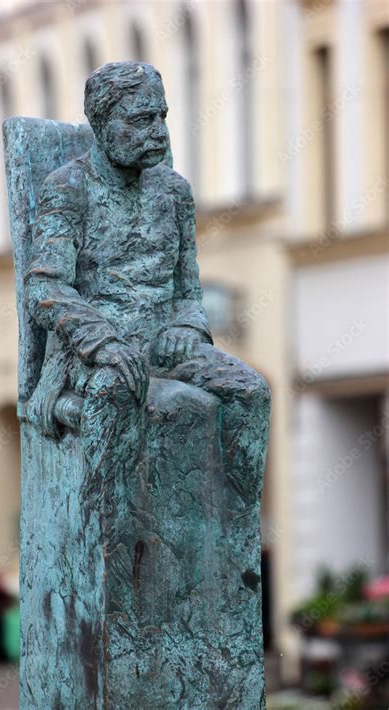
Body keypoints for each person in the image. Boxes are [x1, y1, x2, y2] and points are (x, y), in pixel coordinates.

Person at [25, 61, 270, 508]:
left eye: (162, 117)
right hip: (96, 350)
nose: (158, 131)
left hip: (165, 344)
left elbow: (189, 290)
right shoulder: (68, 188)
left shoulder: (174, 191)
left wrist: (188, 328)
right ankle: (108, 531)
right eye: (140, 120)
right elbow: (45, 287)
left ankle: (233, 531)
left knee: (251, 393)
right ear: (101, 124)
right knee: (115, 394)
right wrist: (102, 344)